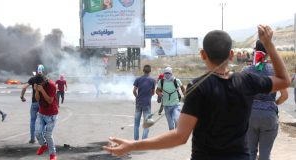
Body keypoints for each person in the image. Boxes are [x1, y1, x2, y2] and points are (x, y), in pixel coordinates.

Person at [103, 25, 291, 159]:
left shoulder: (197, 86)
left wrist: (133, 145)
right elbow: (284, 80)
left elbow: (180, 136)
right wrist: (269, 45)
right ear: (231, 55)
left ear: (203, 54)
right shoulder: (247, 81)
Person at [243, 40, 288, 160]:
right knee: (265, 155)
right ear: (268, 53)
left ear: (255, 51)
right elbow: (284, 96)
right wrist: (273, 104)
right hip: (269, 115)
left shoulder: (246, 71)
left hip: (251, 115)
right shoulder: (276, 72)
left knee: (250, 153)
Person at [34, 74, 59, 160]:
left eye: (41, 84)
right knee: (37, 132)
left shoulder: (51, 85)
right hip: (41, 113)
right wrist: (37, 90)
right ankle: (43, 145)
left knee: (48, 135)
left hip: (52, 114)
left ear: (44, 81)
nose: (40, 85)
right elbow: (37, 99)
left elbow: (49, 100)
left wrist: (42, 90)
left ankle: (52, 154)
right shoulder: (38, 85)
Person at [20, 64, 45, 144]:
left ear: (37, 71)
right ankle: (43, 138)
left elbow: (24, 87)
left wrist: (22, 96)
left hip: (34, 102)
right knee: (43, 121)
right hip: (42, 103)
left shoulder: (32, 79)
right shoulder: (45, 79)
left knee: (33, 120)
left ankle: (32, 138)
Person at [132, 65, 155, 140]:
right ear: (150, 71)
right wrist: (149, 96)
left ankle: (136, 139)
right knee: (147, 123)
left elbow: (134, 91)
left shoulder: (138, 79)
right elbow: (153, 92)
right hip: (147, 103)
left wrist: (137, 97)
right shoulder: (152, 80)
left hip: (138, 103)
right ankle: (144, 139)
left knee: (136, 123)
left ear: (143, 70)